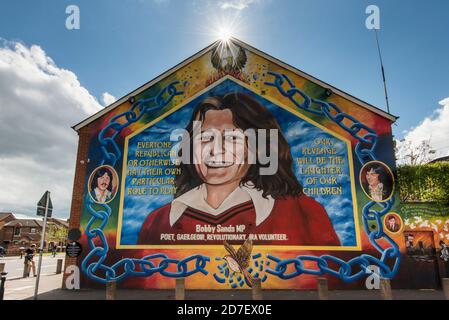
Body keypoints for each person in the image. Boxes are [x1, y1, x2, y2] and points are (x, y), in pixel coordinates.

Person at [138, 92, 340, 246]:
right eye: (206, 138)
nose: (216, 150)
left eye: (232, 138)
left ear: (258, 147)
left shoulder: (303, 213)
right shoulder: (157, 221)